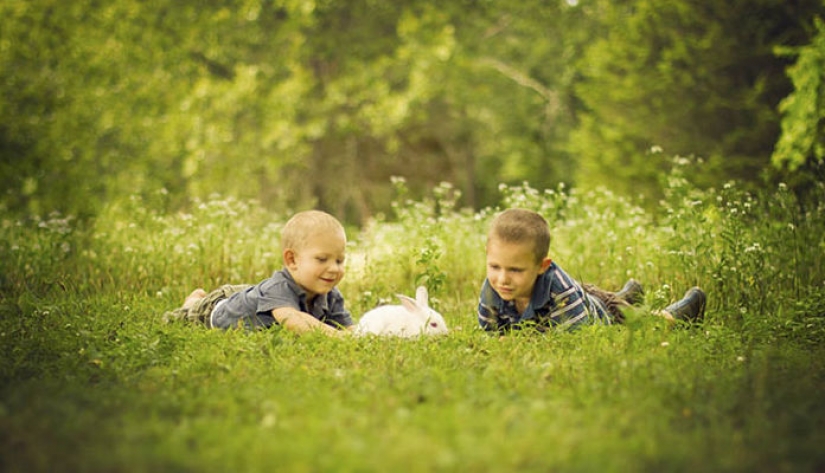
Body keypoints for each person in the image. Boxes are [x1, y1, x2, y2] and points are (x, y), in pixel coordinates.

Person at [477, 208, 706, 332]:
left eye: (516, 270)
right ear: (487, 254)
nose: (502, 279)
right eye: (495, 266)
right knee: (602, 297)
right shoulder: (493, 287)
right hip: (583, 295)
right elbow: (491, 330)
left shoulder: (560, 292)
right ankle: (627, 295)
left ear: (542, 266)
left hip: (595, 312)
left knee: (637, 323)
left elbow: (574, 339)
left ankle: (676, 313)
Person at [164, 210, 353, 336]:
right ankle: (194, 301)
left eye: (339, 260)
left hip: (250, 296)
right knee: (184, 317)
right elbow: (293, 321)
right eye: (322, 259)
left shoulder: (330, 294)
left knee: (257, 296)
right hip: (217, 310)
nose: (334, 268)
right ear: (292, 260)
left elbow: (347, 327)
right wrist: (338, 337)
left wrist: (358, 336)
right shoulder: (280, 287)